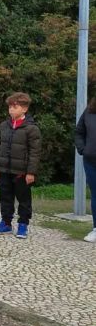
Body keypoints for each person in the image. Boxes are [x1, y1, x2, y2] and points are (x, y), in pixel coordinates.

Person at [0, 92, 41, 240]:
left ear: (24, 109)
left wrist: (31, 172)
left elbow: (35, 153)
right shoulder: (4, 126)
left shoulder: (31, 129)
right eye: (10, 107)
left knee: (23, 199)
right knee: (5, 197)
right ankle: (6, 222)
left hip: (22, 172)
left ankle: (23, 224)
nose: (11, 110)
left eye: (15, 106)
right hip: (4, 169)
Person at [74, 95, 96, 243]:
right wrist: (83, 149)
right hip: (91, 161)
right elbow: (79, 132)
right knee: (95, 194)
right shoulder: (89, 112)